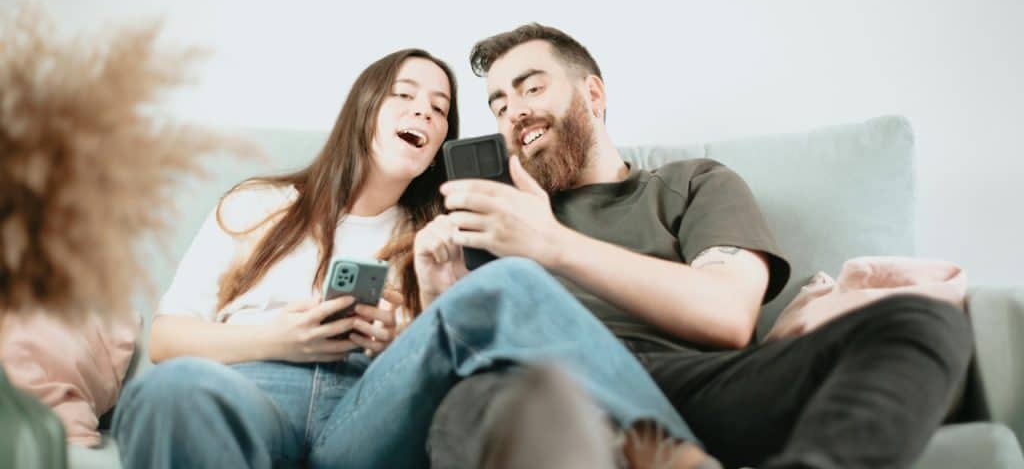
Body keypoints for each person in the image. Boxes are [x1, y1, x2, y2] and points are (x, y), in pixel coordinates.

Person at [113, 48, 697, 469]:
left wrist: (401, 336)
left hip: (367, 410)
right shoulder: (257, 204)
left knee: (507, 283)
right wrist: (278, 338)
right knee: (168, 391)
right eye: (405, 95)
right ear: (364, 107)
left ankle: (675, 453)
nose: (425, 113)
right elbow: (166, 338)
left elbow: (452, 360)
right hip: (250, 395)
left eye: (440, 109)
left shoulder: (441, 231)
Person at [425, 24, 974, 469]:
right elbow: (469, 354)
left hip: (692, 385)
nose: (513, 111)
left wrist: (553, 244)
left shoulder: (692, 184)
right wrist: (440, 288)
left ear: (593, 94)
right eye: (498, 105)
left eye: (531, 87)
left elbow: (728, 315)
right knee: (471, 407)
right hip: (547, 390)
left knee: (921, 321)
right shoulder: (497, 218)